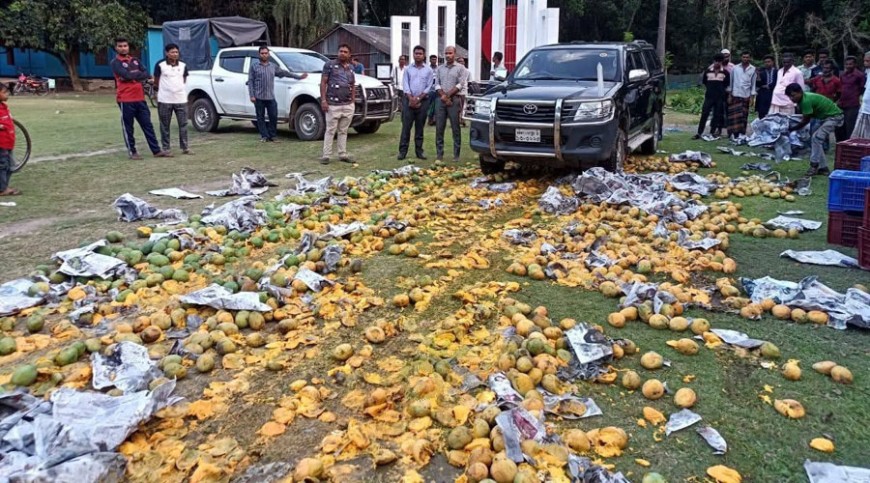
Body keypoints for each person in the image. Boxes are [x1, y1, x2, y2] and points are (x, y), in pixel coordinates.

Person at [110, 37, 167, 160]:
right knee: (128, 127)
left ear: (128, 47)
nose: (123, 48)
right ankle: (133, 152)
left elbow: (145, 73)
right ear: (116, 48)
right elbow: (125, 75)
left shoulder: (135, 60)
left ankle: (156, 150)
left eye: (125, 45)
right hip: (125, 99)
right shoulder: (115, 62)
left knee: (147, 125)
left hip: (140, 98)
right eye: (120, 46)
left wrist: (133, 77)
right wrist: (136, 76)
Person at [248, 46, 308, 143]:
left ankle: (273, 136)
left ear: (269, 54)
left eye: (266, 53)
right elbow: (250, 81)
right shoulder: (254, 67)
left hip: (270, 97)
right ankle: (264, 136)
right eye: (262, 53)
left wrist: (299, 77)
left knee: (273, 116)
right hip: (258, 97)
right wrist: (252, 95)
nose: (264, 55)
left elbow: (284, 73)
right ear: (259, 54)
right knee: (260, 117)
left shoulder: (272, 66)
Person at [785, 83, 843, 176]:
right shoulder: (803, 99)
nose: (792, 99)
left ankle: (814, 165)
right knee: (816, 140)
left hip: (834, 117)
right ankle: (823, 168)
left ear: (800, 92)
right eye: (789, 97)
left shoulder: (805, 101)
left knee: (816, 138)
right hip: (823, 118)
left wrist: (792, 129)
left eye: (793, 95)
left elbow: (805, 121)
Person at [320, 43, 356, 165]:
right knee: (330, 130)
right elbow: (323, 83)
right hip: (332, 104)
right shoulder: (329, 65)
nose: (342, 53)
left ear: (349, 54)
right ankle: (326, 155)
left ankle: (342, 154)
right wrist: (323, 100)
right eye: (341, 51)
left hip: (347, 105)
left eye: (345, 52)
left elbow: (352, 84)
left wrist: (352, 100)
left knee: (343, 130)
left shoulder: (351, 67)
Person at [154, 43, 192, 155]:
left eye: (176, 52)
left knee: (183, 124)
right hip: (165, 99)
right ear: (167, 53)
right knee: (165, 125)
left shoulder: (183, 65)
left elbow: (184, 79)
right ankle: (166, 148)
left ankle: (185, 147)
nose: (175, 54)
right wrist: (156, 93)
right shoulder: (160, 65)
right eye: (172, 52)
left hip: (181, 99)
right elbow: (156, 80)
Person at [397, 45, 434, 161]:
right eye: (416, 53)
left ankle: (419, 151)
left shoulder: (428, 70)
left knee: (419, 127)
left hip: (423, 102)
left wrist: (418, 99)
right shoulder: (408, 69)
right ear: (413, 55)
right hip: (408, 101)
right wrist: (411, 98)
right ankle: (402, 152)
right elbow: (405, 84)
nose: (418, 55)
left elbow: (429, 86)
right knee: (406, 127)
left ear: (424, 56)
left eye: (420, 53)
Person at [434, 46, 468, 162]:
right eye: (446, 53)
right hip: (441, 100)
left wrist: (447, 96)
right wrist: (443, 96)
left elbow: (460, 84)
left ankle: (456, 155)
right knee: (439, 127)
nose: (448, 55)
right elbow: (437, 84)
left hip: (454, 100)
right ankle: (439, 154)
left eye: (450, 53)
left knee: (455, 127)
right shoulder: (439, 68)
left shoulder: (461, 68)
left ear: (455, 54)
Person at [693, 53, 730, 140]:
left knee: (717, 115)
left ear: (722, 62)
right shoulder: (708, 71)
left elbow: (726, 85)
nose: (717, 63)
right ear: (713, 61)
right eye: (716, 61)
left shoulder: (725, 72)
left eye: (719, 61)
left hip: (720, 97)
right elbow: (705, 82)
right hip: (709, 96)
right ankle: (699, 133)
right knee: (704, 114)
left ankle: (712, 133)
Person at [727, 51, 756, 139]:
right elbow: (731, 82)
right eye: (744, 57)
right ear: (741, 58)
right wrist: (729, 95)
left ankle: (742, 134)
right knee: (734, 117)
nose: (745, 59)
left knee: (744, 117)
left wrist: (752, 97)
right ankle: (734, 134)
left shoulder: (753, 69)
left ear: (750, 58)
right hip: (735, 95)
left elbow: (753, 84)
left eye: (747, 57)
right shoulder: (735, 68)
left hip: (746, 95)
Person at [837, 55, 865, 141]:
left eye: (850, 64)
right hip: (841, 103)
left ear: (855, 64)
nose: (848, 66)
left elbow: (862, 88)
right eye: (847, 64)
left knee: (850, 126)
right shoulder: (842, 75)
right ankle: (840, 144)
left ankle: (849, 144)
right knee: (839, 125)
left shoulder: (859, 75)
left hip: (852, 104)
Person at [0, 84, 19, 196]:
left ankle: (4, 186)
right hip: (1, 144)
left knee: (10, 166)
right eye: (4, 92)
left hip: (8, 142)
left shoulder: (4, 107)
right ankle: (2, 189)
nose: (7, 94)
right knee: (3, 165)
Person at [850, 51, 870, 139]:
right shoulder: (868, 72)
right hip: (865, 109)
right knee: (862, 138)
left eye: (868, 61)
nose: (865, 63)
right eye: (865, 61)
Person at [756, 55, 777, 119]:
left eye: (769, 61)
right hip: (763, 94)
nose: (767, 63)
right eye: (765, 62)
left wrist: (769, 86)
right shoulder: (761, 72)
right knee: (762, 112)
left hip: (773, 93)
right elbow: (758, 84)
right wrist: (758, 75)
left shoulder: (777, 72)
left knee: (773, 112)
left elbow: (777, 82)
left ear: (773, 62)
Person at [456, 57, 470, 127]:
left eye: (462, 61)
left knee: (463, 106)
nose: (460, 63)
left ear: (464, 62)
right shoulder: (454, 70)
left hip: (464, 90)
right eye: (459, 61)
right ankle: (459, 120)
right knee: (457, 106)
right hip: (455, 91)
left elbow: (469, 81)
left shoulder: (467, 71)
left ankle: (462, 119)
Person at [427, 54, 440, 125]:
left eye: (435, 59)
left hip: (437, 90)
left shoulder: (439, 69)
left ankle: (435, 119)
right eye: (432, 59)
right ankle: (430, 119)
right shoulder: (427, 69)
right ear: (430, 60)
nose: (434, 61)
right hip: (430, 90)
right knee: (430, 105)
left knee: (436, 105)